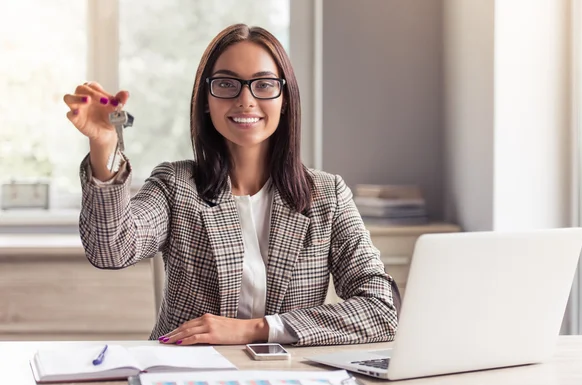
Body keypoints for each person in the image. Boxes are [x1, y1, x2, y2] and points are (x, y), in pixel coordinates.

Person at [63, 24, 398, 347]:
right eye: (226, 84)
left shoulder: (327, 195)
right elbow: (111, 251)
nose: (246, 100)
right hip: (184, 375)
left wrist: (254, 330)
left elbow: (382, 310)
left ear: (285, 98)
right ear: (206, 100)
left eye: (264, 85)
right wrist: (104, 146)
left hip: (289, 379)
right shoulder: (175, 185)